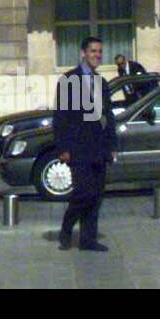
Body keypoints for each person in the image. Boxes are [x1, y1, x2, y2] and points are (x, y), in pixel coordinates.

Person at [54, 36, 116, 252]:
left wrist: (112, 146)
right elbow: (61, 117)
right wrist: (62, 148)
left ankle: (88, 239)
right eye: (93, 51)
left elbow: (108, 117)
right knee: (83, 194)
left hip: (99, 148)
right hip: (78, 148)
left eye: (99, 52)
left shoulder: (102, 82)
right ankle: (66, 229)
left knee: (96, 196)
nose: (97, 55)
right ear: (83, 53)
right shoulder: (68, 80)